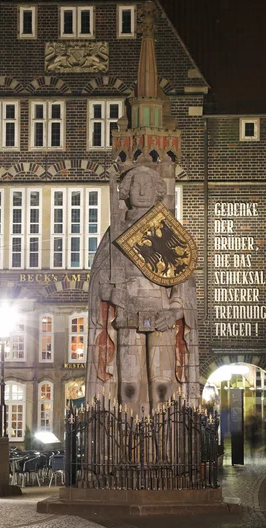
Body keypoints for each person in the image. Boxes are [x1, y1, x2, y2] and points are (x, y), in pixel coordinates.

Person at [86, 166, 199, 415]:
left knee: (162, 384)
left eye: (148, 186)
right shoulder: (116, 232)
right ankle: (129, 435)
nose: (142, 190)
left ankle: (165, 435)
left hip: (162, 311)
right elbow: (99, 278)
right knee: (129, 385)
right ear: (126, 191)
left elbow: (183, 277)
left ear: (157, 191)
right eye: (136, 185)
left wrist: (176, 310)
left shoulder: (166, 230)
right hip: (127, 310)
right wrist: (112, 293)